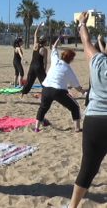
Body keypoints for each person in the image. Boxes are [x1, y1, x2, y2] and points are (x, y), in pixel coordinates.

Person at [68, 12, 107, 208]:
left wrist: (82, 23)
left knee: (88, 168)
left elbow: (85, 40)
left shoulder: (99, 62)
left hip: (95, 121)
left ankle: (73, 206)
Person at [34, 37, 85, 132]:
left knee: (43, 107)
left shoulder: (55, 60)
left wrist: (58, 39)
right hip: (58, 91)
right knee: (75, 106)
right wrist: (83, 92)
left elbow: (54, 48)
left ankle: (36, 128)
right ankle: (77, 128)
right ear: (71, 59)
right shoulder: (68, 69)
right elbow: (76, 86)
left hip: (46, 88)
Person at [21, 23, 48, 96]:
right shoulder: (44, 49)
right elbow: (45, 61)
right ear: (45, 42)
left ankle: (22, 94)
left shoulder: (35, 45)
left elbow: (35, 34)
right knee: (44, 81)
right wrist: (44, 70)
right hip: (39, 67)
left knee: (29, 81)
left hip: (32, 66)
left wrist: (38, 26)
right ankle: (47, 94)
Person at [84, 34, 106, 107]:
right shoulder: (102, 58)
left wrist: (99, 40)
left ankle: (88, 102)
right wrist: (100, 41)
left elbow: (103, 52)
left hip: (93, 75)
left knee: (91, 88)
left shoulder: (95, 57)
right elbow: (104, 52)